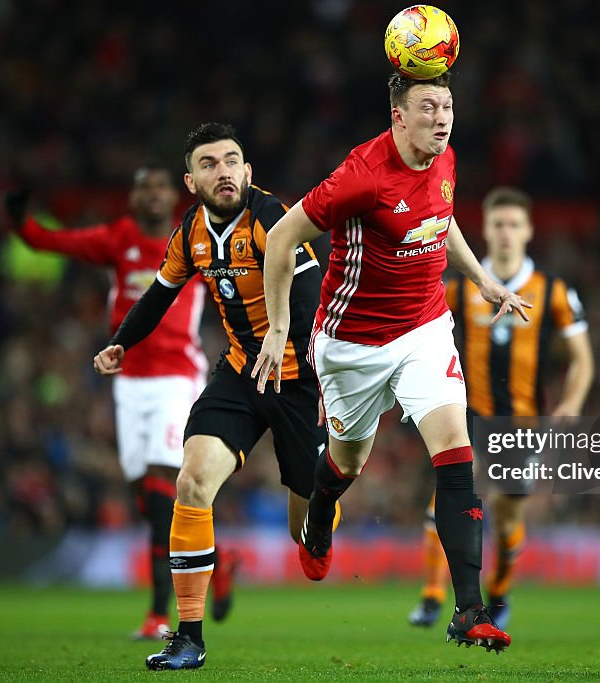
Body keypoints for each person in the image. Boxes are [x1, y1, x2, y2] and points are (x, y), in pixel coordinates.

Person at [253, 72, 527, 654]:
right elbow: (280, 238)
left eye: (448, 105)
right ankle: (322, 506)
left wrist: (480, 278)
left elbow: (442, 219)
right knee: (348, 461)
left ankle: (469, 610)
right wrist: (279, 328)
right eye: (428, 107)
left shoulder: (445, 158)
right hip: (352, 346)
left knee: (456, 456)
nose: (443, 117)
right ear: (398, 116)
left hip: (425, 329)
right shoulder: (362, 177)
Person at [93, 123, 329, 671]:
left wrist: (284, 333)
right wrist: (120, 343)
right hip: (243, 372)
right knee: (192, 479)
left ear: (248, 172)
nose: (223, 171)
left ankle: (318, 528)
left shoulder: (273, 217)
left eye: (232, 161)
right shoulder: (190, 233)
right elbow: (159, 294)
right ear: (191, 180)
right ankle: (189, 636)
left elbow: (313, 290)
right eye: (209, 163)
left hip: (300, 379)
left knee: (305, 521)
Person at [5, 166, 209, 640]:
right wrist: (20, 222)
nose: (153, 194)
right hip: (129, 382)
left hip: (177, 378)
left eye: (160, 186)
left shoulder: (198, 239)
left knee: (164, 494)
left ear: (176, 192)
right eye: (144, 187)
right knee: (147, 499)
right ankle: (215, 568)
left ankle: (160, 615)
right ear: (135, 198)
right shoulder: (119, 238)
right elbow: (53, 243)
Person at [408, 186, 595, 630]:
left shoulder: (553, 292)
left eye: (514, 224)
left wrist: (570, 402)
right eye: (498, 224)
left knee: (509, 516)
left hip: (521, 423)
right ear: (485, 231)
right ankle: (433, 596)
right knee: (442, 506)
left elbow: (583, 361)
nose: (506, 233)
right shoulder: (460, 289)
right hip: (466, 417)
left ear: (529, 230)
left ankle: (500, 588)